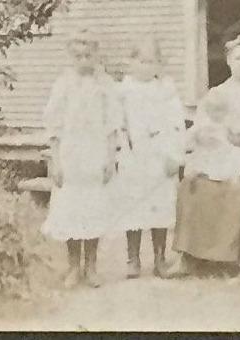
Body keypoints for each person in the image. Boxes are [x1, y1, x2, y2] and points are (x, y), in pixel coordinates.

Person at [169, 34, 240, 275]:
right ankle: (189, 256)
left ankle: (239, 258)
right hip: (216, 154)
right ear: (228, 61)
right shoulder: (216, 93)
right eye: (236, 58)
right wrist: (205, 138)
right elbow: (201, 127)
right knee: (192, 185)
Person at [42, 35, 124, 288]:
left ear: (96, 56)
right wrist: (55, 160)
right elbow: (54, 124)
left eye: (88, 56)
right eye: (78, 56)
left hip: (96, 152)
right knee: (71, 209)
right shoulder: (63, 84)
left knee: (93, 208)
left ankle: (91, 266)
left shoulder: (105, 85)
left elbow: (113, 123)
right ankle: (73, 266)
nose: (83, 61)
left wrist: (111, 157)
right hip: (71, 154)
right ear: (71, 57)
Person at [111, 37, 186, 278]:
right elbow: (117, 123)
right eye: (142, 61)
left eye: (152, 62)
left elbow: (176, 124)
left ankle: (160, 258)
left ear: (159, 64)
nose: (146, 66)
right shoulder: (122, 90)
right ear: (131, 62)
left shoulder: (166, 89)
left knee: (160, 206)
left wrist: (174, 155)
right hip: (134, 155)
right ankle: (133, 259)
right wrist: (122, 149)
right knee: (133, 206)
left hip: (160, 155)